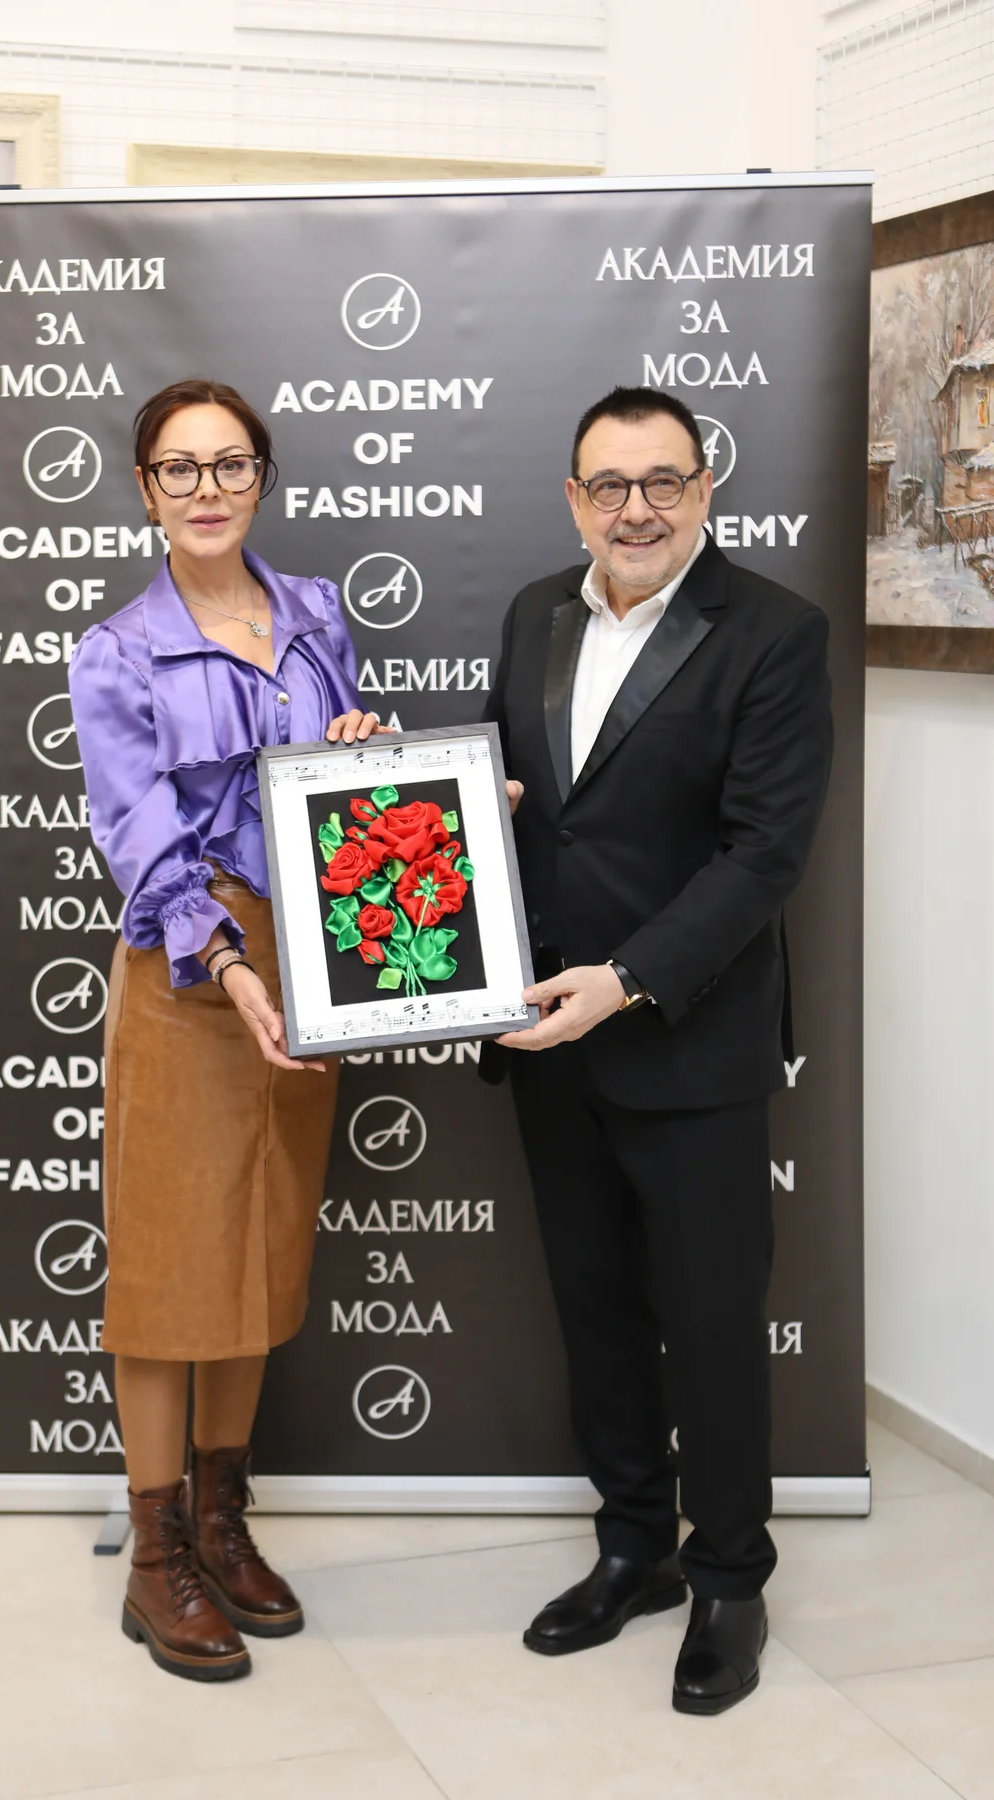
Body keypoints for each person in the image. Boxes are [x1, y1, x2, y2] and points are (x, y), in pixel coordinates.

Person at [482, 386, 832, 1715]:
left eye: (663, 481)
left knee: (712, 1326)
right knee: (596, 1313)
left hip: (688, 1040)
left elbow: (764, 854)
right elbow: (526, 807)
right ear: (574, 499)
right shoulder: (533, 612)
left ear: (703, 490)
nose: (637, 508)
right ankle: (634, 1549)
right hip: (548, 1036)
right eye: (611, 485)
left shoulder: (775, 632)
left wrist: (626, 982)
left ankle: (731, 1578)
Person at [69, 378, 380, 1682]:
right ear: (146, 490)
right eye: (179, 468)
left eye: (231, 463)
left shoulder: (317, 613)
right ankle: (155, 1561)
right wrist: (234, 966)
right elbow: (141, 837)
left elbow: (338, 790)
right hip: (189, 968)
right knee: (165, 1268)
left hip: (309, 959)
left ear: (262, 475)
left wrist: (364, 755)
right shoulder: (117, 652)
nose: (207, 488)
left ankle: (220, 1521)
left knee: (258, 1242)